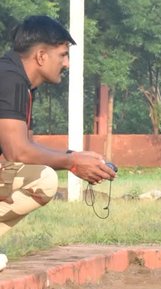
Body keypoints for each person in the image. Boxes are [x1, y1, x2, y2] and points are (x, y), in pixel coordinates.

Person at [0, 16, 115, 271]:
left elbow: (12, 154)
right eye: (63, 55)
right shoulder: (10, 80)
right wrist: (73, 161)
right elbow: (18, 151)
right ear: (41, 56)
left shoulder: (15, 78)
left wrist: (74, 157)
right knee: (41, 179)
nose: (67, 63)